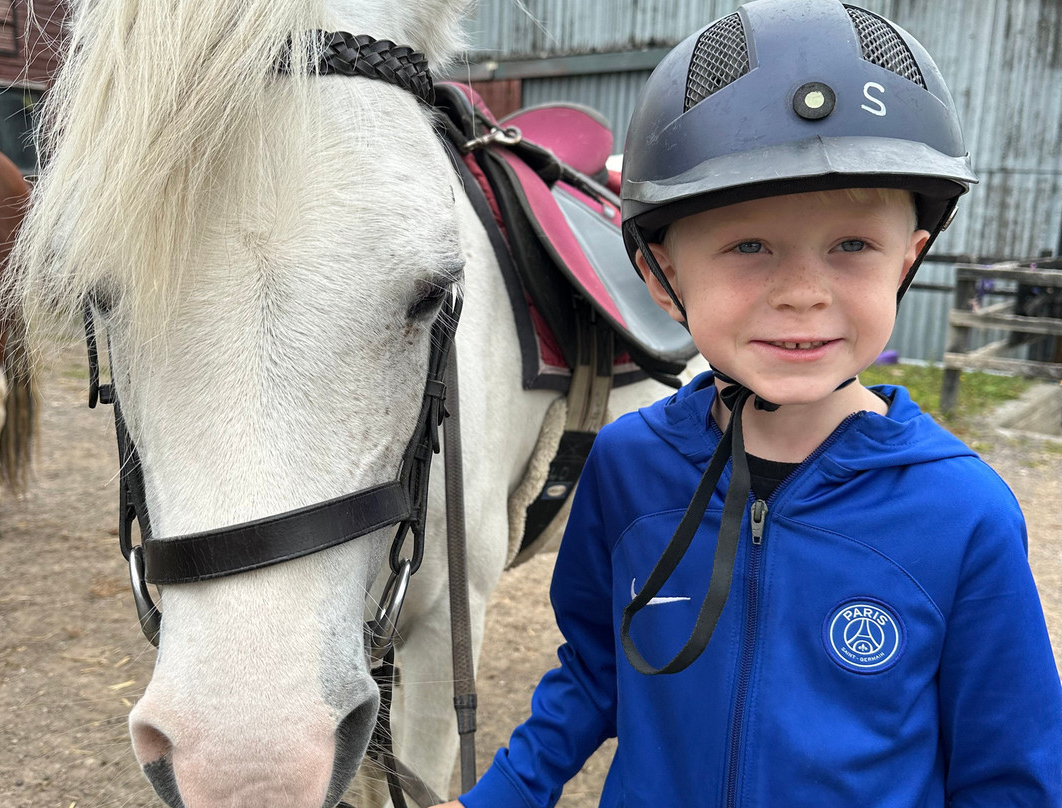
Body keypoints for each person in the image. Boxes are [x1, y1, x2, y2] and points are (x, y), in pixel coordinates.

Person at [435, 1, 1062, 805]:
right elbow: (597, 669)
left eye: (852, 246)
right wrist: (506, 794)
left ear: (908, 257)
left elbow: (1011, 774)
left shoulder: (965, 512)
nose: (803, 294)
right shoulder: (628, 467)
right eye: (749, 246)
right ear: (663, 276)